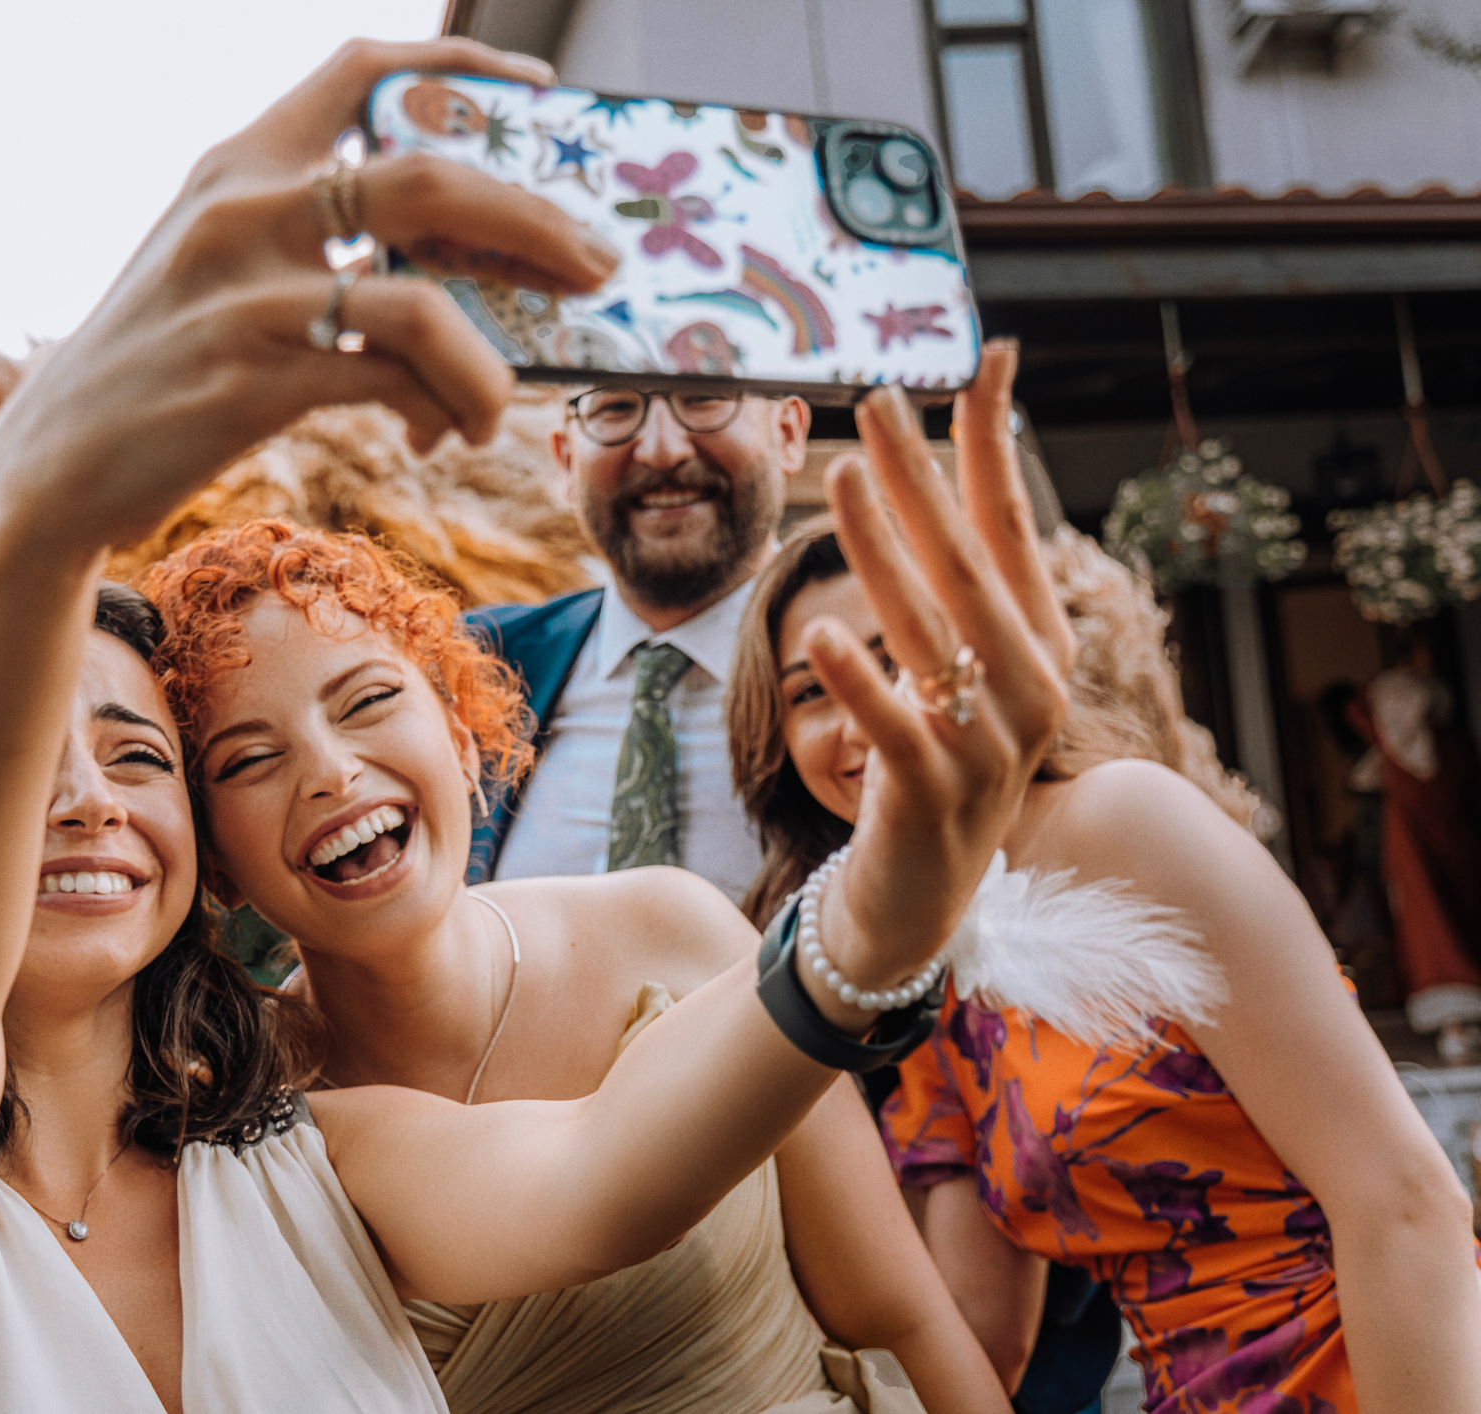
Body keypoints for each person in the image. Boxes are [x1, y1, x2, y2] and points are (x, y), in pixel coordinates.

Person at [0, 36, 1074, 1414]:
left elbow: (606, 1168)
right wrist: (37, 504)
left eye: (138, 756)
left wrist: (866, 932)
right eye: (16, 763)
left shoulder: (310, 1158)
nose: (82, 797)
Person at [145, 486, 1023, 1410]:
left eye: (366, 700)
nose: (330, 771)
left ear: (456, 729)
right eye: (247, 759)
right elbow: (590, 1181)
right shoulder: (240, 1122)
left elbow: (902, 1321)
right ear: (217, 860)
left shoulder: (669, 928)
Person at [725, 448, 1481, 1414]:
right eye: (811, 691)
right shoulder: (923, 970)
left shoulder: (1125, 820)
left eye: (892, 660)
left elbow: (1407, 1203)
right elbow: (973, 1337)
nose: (859, 717)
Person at [463, 378, 810, 897]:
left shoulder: (876, 669)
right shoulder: (471, 666)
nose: (662, 450)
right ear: (565, 459)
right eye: (616, 407)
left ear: (787, 433)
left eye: (703, 396)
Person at [1352, 638, 1481, 1061]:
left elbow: (1357, 711)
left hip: (1419, 856)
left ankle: (1457, 1023)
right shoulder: (1448, 746)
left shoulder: (1405, 756)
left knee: (1432, 930)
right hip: (1454, 850)